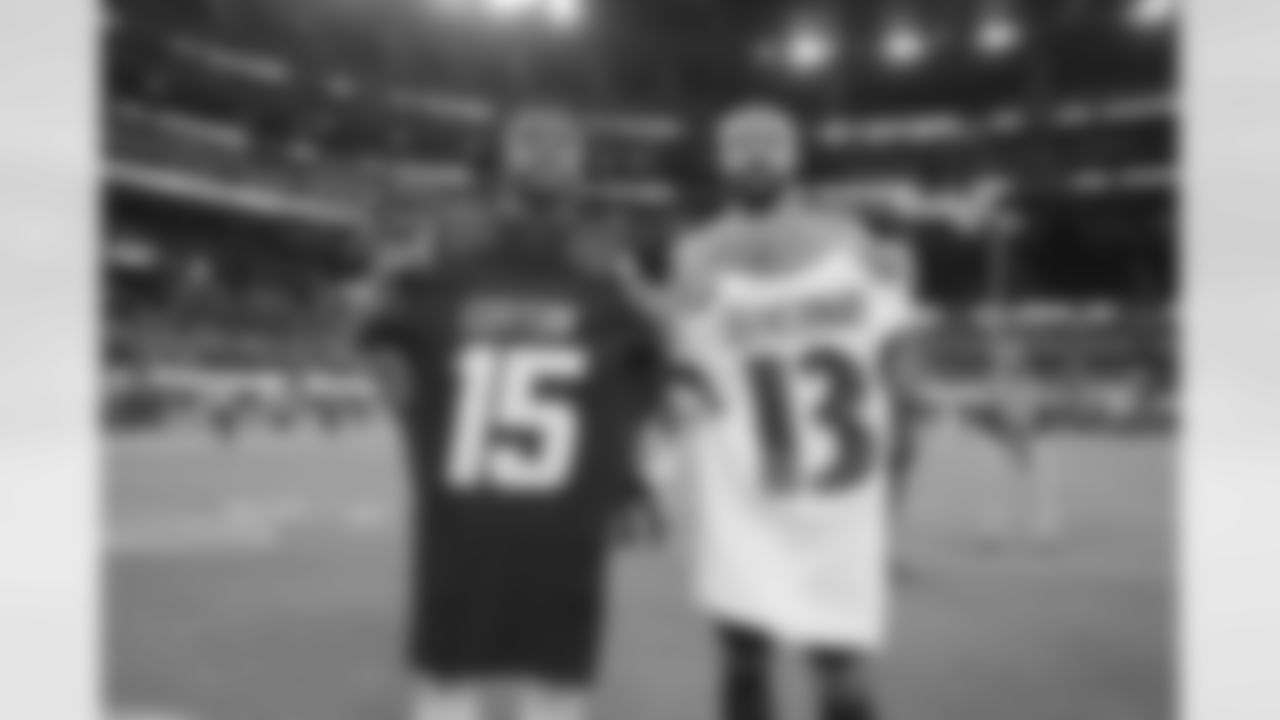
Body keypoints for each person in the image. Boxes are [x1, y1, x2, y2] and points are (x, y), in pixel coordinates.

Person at [356, 104, 665, 720]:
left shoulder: (609, 277)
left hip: (557, 527)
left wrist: (628, 478)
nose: (546, 151)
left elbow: (644, 375)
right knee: (455, 681)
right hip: (466, 521)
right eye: (529, 139)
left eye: (563, 141)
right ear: (500, 155)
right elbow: (377, 336)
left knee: (547, 684)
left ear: (582, 163)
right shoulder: (442, 258)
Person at [664, 102, 924, 720]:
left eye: (770, 142)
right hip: (744, 499)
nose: (756, 155)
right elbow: (686, 377)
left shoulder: (852, 245)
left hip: (835, 505)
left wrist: (892, 489)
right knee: (743, 671)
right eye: (741, 144)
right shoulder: (693, 257)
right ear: (719, 159)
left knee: (844, 684)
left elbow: (901, 381)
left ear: (795, 156)